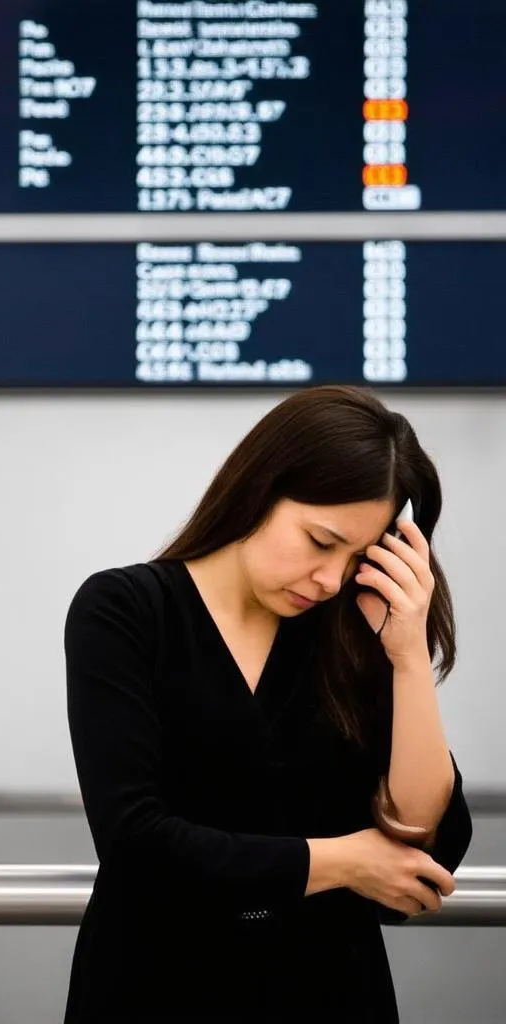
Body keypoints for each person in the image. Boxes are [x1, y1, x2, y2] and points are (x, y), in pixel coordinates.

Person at [62, 385, 473, 1023]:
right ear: (260, 488)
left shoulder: (352, 632)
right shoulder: (128, 610)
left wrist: (408, 656)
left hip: (327, 993)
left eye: (360, 556)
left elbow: (423, 848)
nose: (331, 579)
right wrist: (344, 862)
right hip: (155, 989)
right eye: (320, 540)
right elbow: (136, 844)